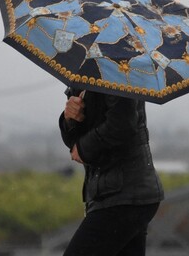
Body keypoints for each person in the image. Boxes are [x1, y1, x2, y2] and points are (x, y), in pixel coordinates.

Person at [59, 87, 164, 256]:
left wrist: (83, 149)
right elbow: (74, 142)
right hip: (118, 194)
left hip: (124, 194)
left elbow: (122, 123)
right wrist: (69, 118)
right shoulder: (85, 78)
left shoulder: (119, 72)